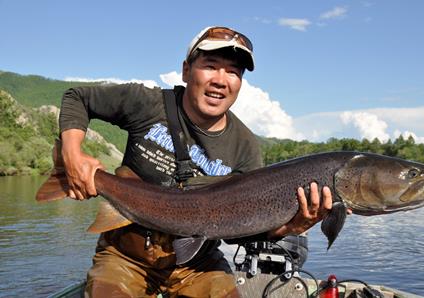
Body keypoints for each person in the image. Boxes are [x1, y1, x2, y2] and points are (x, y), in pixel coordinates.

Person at [59, 26, 332, 298]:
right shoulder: (147, 103)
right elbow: (77, 98)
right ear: (186, 70)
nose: (221, 80)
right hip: (126, 258)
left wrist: (287, 228)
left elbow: (236, 233)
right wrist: (72, 155)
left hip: (198, 266)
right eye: (211, 66)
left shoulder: (245, 146)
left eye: (233, 72)